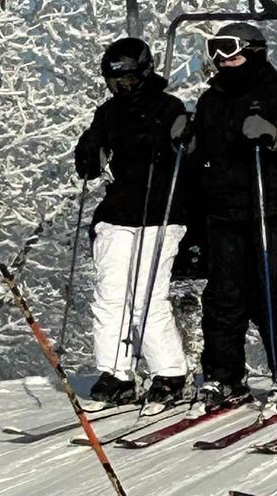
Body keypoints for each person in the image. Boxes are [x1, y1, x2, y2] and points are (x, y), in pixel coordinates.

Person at [189, 21, 277, 407]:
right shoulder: (212, 100)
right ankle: (224, 374)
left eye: (233, 56)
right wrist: (186, 140)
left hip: (275, 209)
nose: (224, 63)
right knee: (223, 296)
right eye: (217, 56)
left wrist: (274, 136)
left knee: (270, 295)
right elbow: (200, 152)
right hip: (226, 211)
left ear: (254, 54)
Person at [73, 36, 193, 412]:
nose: (122, 86)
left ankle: (169, 373)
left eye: (129, 78)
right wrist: (89, 153)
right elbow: (88, 161)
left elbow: (190, 156)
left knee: (146, 296)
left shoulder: (169, 107)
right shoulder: (108, 113)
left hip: (160, 214)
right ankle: (116, 373)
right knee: (110, 296)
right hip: (118, 213)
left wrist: (181, 142)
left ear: (144, 73)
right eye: (115, 80)